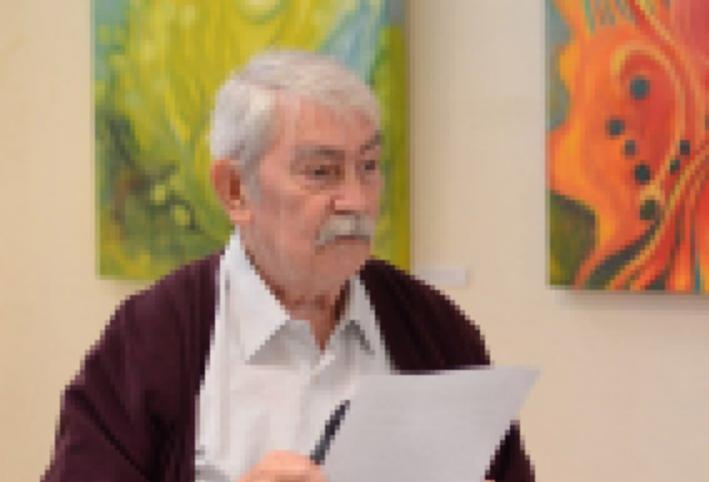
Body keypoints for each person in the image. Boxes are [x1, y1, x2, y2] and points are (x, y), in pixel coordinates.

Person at [42, 51, 534, 482]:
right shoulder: (151, 337)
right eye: (322, 172)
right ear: (235, 190)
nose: (357, 200)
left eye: (368, 166)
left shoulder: (436, 330)